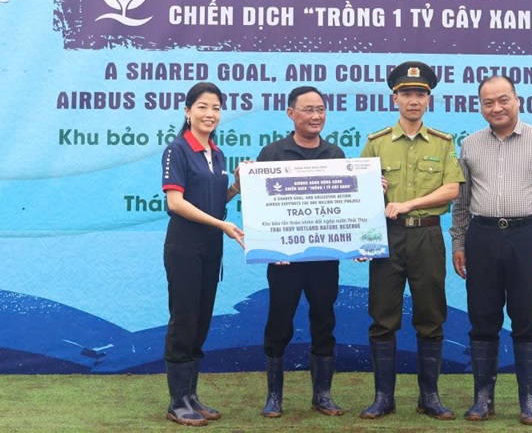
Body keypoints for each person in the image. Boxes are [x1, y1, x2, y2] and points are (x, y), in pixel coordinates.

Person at [451, 75, 532, 426]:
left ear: (518, 101)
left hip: (528, 237)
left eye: (503, 100)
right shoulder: (471, 145)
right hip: (482, 238)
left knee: (527, 318)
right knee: (482, 319)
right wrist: (459, 242)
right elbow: (462, 201)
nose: (496, 107)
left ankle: (529, 401)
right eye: (488, 102)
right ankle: (482, 399)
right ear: (480, 107)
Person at [358, 61, 464, 420]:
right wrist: (372, 192)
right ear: (395, 98)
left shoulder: (443, 143)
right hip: (386, 238)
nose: (413, 100)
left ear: (428, 99)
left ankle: (429, 397)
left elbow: (452, 188)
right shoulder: (375, 144)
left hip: (427, 235)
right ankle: (383, 398)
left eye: (420, 94)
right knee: (383, 317)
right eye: (406, 94)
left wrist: (410, 203)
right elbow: (357, 194)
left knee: (431, 316)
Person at [251, 86, 345, 418]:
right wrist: (268, 245)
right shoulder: (273, 153)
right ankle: (274, 397)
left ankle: (322, 395)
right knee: (279, 323)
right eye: (308, 110)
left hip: (323, 259)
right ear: (291, 113)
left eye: (320, 109)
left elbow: (347, 209)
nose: (316, 116)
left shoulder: (335, 155)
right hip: (284, 261)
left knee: (324, 321)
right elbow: (258, 206)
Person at [160, 81, 245, 426]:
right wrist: (223, 225)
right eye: (203, 107)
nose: (210, 114)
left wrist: (237, 186)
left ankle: (192, 397)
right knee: (184, 320)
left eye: (216, 108)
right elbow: (176, 202)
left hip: (211, 245)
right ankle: (177, 401)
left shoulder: (218, 153)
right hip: (184, 245)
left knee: (201, 320)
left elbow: (213, 201)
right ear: (187, 111)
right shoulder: (177, 150)